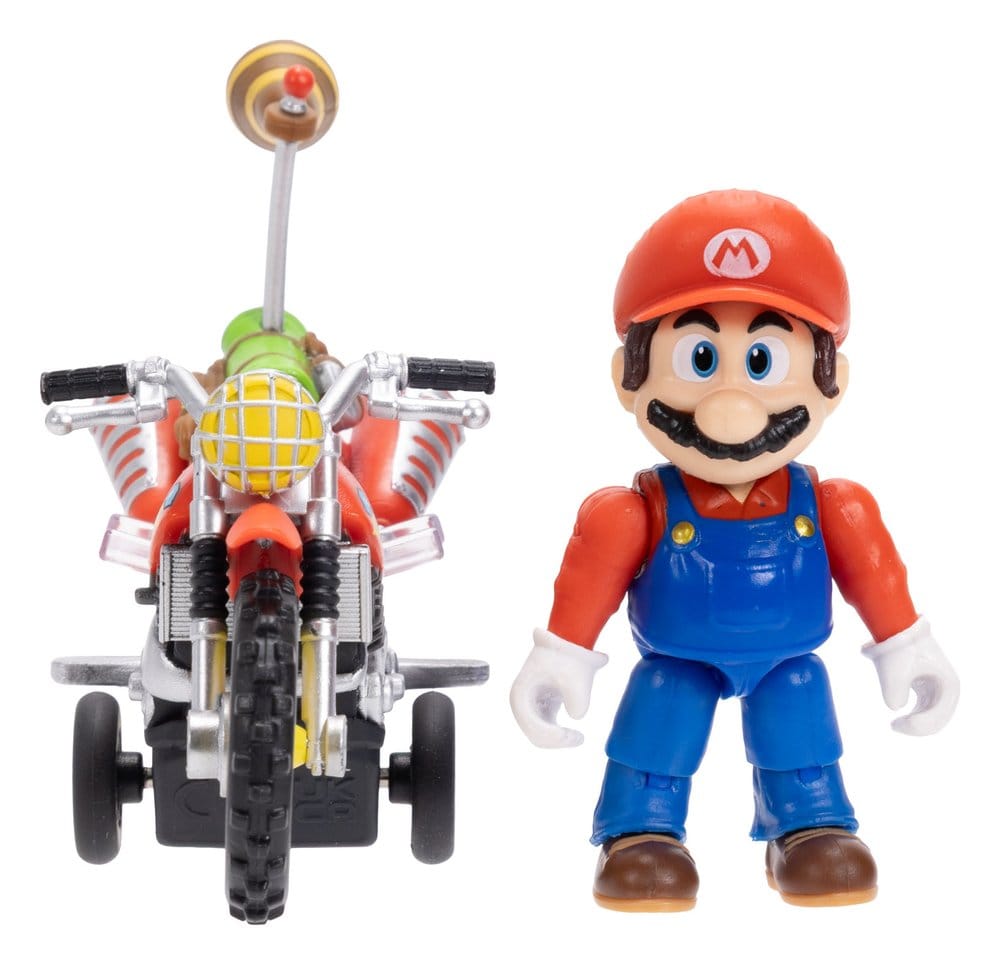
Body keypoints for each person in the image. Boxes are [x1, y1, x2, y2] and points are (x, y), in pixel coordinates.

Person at [509, 189, 959, 910]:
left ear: (832, 381)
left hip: (787, 660)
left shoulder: (834, 504)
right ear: (627, 377)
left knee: (799, 716)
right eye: (699, 358)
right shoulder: (634, 511)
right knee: (662, 713)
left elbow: (876, 577)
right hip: (676, 659)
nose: (729, 406)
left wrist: (908, 645)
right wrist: (560, 657)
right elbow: (587, 586)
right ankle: (639, 831)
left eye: (760, 359)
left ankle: (808, 824)